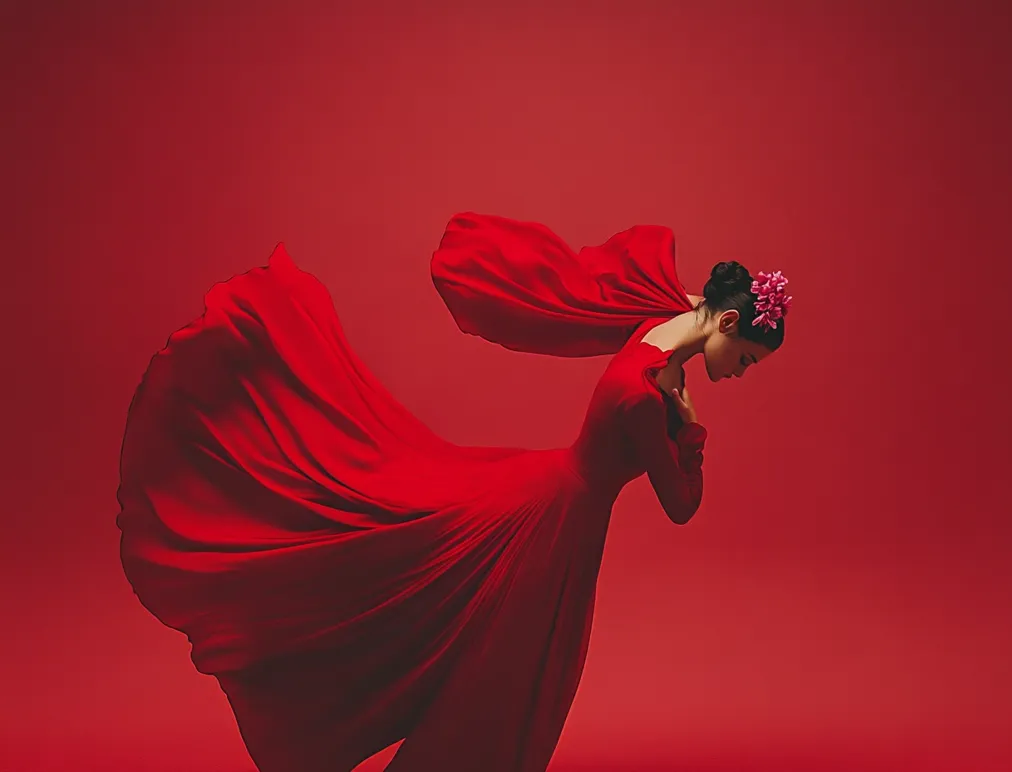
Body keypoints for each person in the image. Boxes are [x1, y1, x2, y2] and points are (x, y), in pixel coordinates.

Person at [116, 212, 790, 772]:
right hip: (553, 524)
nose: (741, 375)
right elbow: (681, 505)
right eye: (749, 362)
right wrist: (693, 431)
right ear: (728, 326)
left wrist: (679, 394)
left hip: (547, 495)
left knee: (506, 678)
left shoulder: (657, 329)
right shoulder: (650, 396)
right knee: (505, 683)